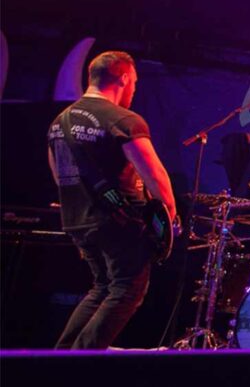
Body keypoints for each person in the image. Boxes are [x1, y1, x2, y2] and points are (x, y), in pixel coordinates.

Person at [47, 51, 176, 349]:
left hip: (78, 220)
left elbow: (59, 175)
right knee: (127, 290)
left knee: (102, 287)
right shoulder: (124, 120)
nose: (134, 90)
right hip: (120, 222)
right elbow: (155, 175)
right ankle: (81, 360)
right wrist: (168, 218)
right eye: (135, 83)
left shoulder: (59, 122)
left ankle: (59, 358)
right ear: (124, 78)